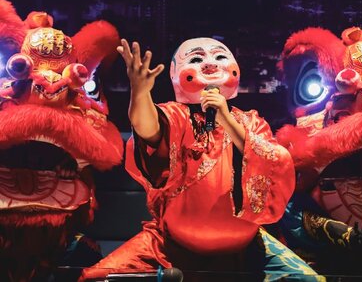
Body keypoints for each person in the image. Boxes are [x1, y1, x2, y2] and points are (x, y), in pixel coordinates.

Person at [81, 37, 324, 281]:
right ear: (176, 74)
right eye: (196, 59)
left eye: (219, 57)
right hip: (169, 248)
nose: (209, 64)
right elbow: (147, 128)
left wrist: (227, 122)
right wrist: (140, 92)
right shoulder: (176, 116)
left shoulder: (251, 122)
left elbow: (276, 162)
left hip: (246, 248)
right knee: (96, 279)